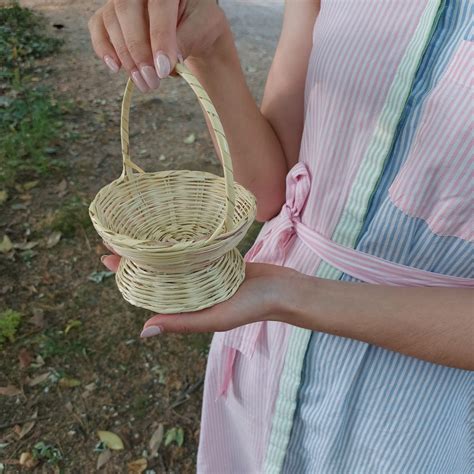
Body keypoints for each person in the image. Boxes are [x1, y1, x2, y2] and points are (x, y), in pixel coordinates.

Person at [89, 0, 473, 472]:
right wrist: (211, 50)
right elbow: (269, 189)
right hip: (267, 355)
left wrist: (293, 296)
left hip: (415, 417)